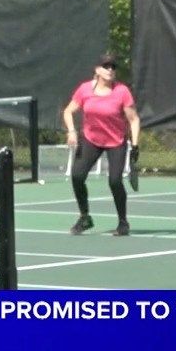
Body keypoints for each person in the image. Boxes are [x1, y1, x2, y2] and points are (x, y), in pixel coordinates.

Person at [62, 52, 140, 237]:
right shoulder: (84, 90)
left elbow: (134, 119)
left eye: (113, 66)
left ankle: (123, 222)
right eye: (106, 66)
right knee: (77, 176)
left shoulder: (122, 91)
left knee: (114, 181)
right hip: (91, 139)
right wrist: (72, 131)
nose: (110, 70)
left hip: (116, 141)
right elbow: (68, 111)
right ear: (97, 70)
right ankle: (85, 217)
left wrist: (135, 145)